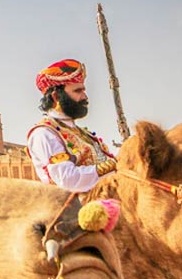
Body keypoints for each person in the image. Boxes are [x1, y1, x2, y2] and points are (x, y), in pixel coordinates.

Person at [26, 58, 116, 193]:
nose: (85, 97)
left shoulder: (83, 133)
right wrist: (114, 164)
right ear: (56, 97)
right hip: (76, 210)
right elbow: (68, 180)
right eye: (78, 91)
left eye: (83, 90)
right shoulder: (44, 134)